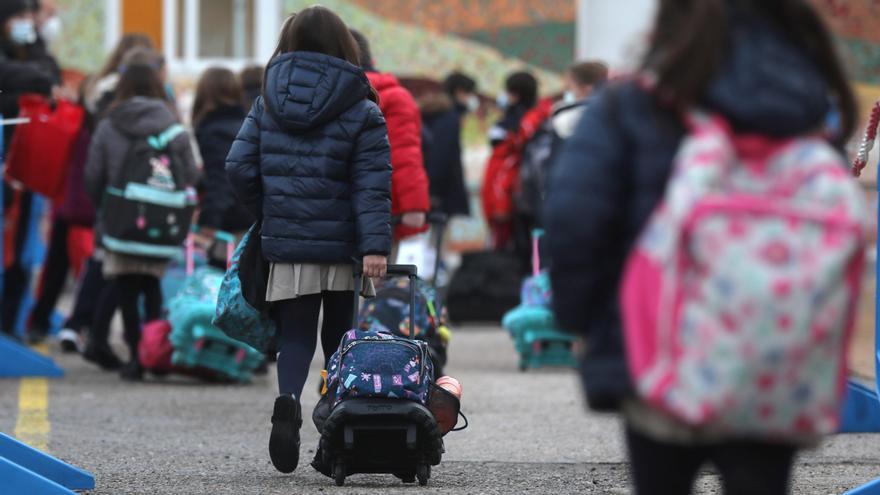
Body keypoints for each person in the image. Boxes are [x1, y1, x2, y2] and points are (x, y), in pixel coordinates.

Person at [543, 1, 856, 494]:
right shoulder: (806, 109)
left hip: (656, 347)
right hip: (773, 348)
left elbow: (575, 220)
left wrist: (582, 319)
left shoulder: (633, 104)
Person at [225, 7, 391, 474]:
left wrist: (268, 209)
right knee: (339, 340)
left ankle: (286, 402)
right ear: (344, 45)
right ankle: (335, 431)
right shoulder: (362, 106)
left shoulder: (266, 99)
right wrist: (375, 246)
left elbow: (237, 167)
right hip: (341, 246)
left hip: (288, 241)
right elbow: (371, 184)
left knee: (295, 336)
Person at [85, 62, 198, 381]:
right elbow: (189, 174)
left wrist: (106, 208)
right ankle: (154, 354)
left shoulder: (110, 124)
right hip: (162, 220)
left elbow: (93, 174)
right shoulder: (172, 126)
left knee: (124, 287)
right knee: (151, 286)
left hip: (120, 220)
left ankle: (135, 356)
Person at [1, 0, 60, 336]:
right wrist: (32, 88)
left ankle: (10, 324)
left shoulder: (29, 50)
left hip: (23, 166)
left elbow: (49, 71)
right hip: (7, 162)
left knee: (20, 252)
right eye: (20, 17)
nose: (29, 23)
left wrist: (34, 45)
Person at [350, 29, 429, 242]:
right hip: (384, 208)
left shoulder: (336, 94)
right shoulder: (396, 96)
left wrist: (414, 207)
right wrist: (413, 206)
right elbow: (404, 153)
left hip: (345, 209)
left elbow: (404, 153)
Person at [482, 70, 551, 253]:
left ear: (515, 94)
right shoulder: (537, 119)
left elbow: (506, 171)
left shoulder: (521, 127)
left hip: (514, 197)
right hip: (519, 196)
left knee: (515, 248)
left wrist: (500, 206)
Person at [192, 67, 253, 258]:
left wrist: (209, 222)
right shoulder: (248, 122)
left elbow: (222, 178)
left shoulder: (214, 130)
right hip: (251, 214)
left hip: (232, 221)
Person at [418, 72, 478, 217]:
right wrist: (434, 192)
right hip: (441, 193)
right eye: (469, 93)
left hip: (429, 186)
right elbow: (441, 154)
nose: (472, 99)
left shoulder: (435, 113)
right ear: (459, 91)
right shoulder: (449, 117)